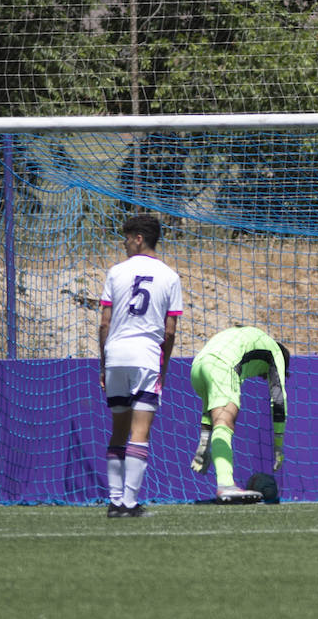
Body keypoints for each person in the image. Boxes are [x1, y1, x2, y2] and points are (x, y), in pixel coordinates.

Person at [98, 213, 183, 518]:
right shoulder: (170, 277)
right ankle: (130, 504)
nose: (123, 243)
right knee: (140, 432)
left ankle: (114, 501)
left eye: (126, 237)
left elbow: (104, 324)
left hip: (116, 355)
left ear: (138, 238)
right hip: (146, 356)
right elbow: (170, 331)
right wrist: (164, 365)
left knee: (118, 429)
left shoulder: (115, 273)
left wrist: (104, 363)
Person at [189, 325, 290, 502]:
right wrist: (278, 445)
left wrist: (203, 443)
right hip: (223, 365)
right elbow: (279, 399)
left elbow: (210, 409)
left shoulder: (251, 338)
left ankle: (224, 482)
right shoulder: (276, 353)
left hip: (198, 366)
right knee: (225, 424)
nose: (264, 378)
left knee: (220, 415)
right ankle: (226, 484)